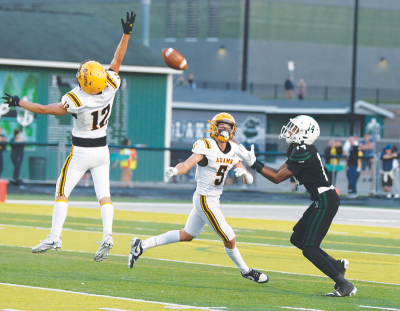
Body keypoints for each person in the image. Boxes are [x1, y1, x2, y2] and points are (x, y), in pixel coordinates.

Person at [2, 11, 137, 261]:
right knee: (104, 196)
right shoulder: (109, 87)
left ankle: (55, 236)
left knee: (61, 192)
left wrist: (19, 102)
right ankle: (108, 235)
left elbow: (43, 109)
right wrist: (126, 34)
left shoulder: (77, 99)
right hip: (102, 151)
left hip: (81, 152)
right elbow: (117, 58)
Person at [127, 113, 269, 284]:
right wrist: (175, 170)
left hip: (213, 199)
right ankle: (246, 271)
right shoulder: (206, 145)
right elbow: (186, 164)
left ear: (233, 130)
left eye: (228, 127)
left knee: (187, 234)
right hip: (204, 199)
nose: (225, 129)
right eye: (221, 126)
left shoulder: (234, 147)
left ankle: (142, 245)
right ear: (214, 127)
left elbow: (248, 177)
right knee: (229, 238)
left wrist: (245, 175)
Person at [235, 115, 357, 297]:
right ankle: (336, 265)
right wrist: (256, 163)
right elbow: (277, 171)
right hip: (321, 198)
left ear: (305, 133)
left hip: (325, 199)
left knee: (310, 249)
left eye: (295, 128)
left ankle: (345, 285)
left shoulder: (305, 149)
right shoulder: (297, 148)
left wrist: (253, 164)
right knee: (297, 239)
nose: (290, 130)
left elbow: (277, 179)